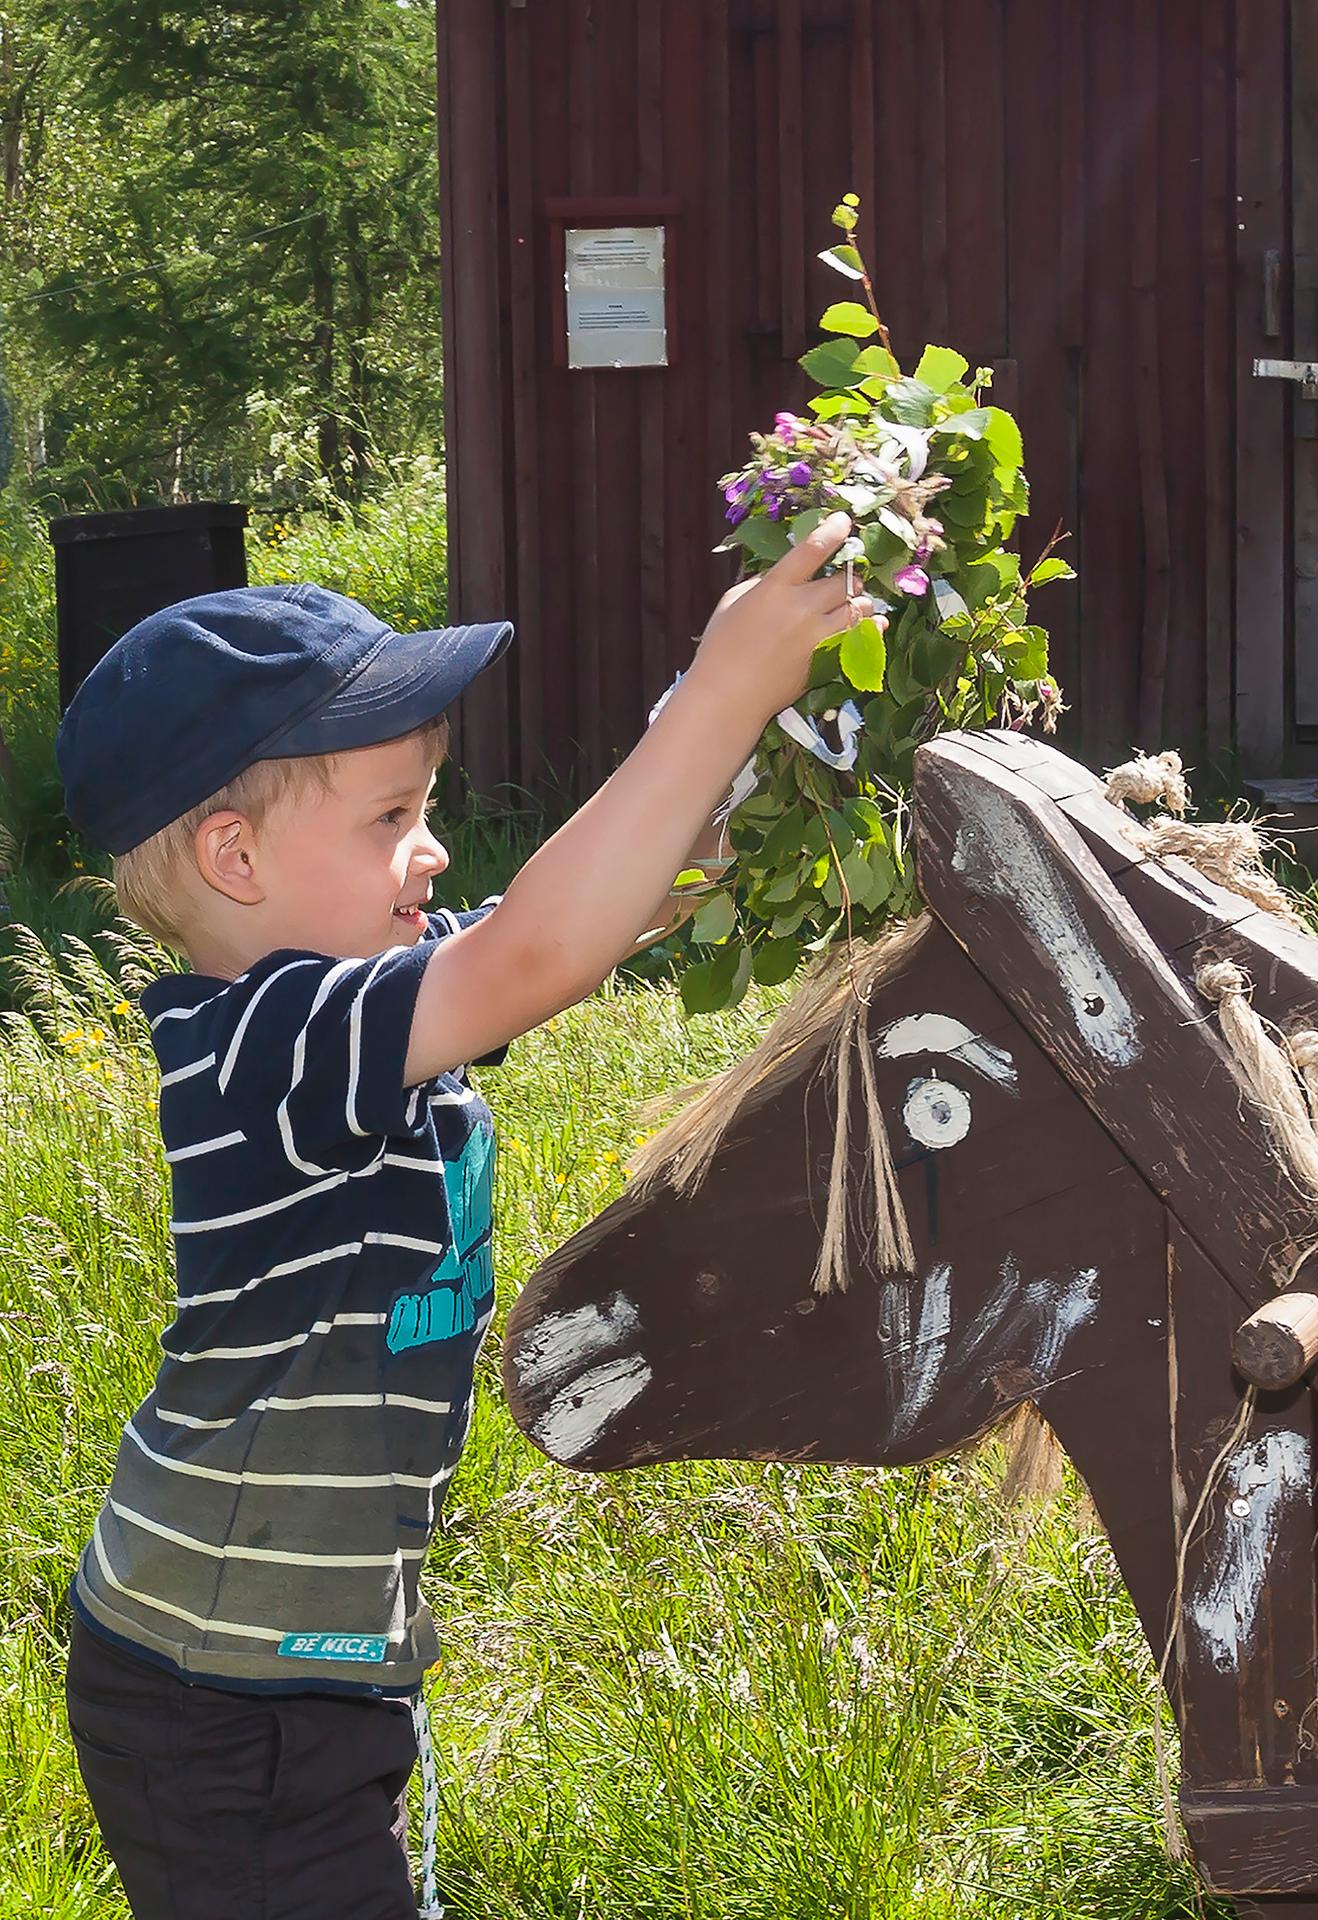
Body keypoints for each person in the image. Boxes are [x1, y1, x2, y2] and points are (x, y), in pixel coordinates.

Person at [52, 512, 873, 1920]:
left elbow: (595, 907)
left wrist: (739, 774)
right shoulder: (265, 1045)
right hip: (219, 1694)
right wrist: (723, 685)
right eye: (391, 820)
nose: (429, 854)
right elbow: (537, 952)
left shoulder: (365, 987)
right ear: (234, 858)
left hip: (307, 1661)